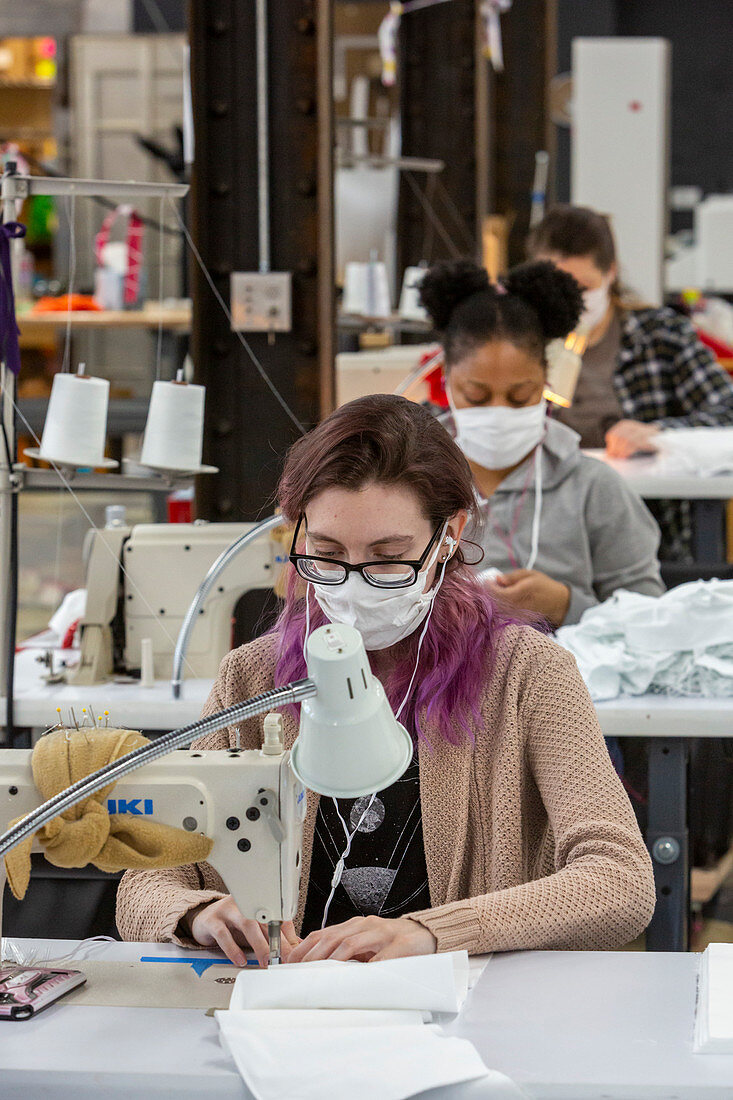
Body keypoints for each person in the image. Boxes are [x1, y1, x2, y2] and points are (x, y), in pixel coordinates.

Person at [116, 395, 655, 964]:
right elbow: (145, 884)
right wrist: (198, 913)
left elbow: (620, 882)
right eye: (326, 554)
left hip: (464, 1018)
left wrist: (434, 933)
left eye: (388, 557)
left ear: (450, 533)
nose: (354, 584)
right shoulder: (255, 679)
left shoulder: (530, 674)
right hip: (290, 1001)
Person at [417, 259, 664, 628]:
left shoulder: (593, 489)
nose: (498, 413)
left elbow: (652, 617)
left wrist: (567, 606)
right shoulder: (411, 481)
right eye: (476, 396)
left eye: (520, 397)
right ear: (447, 381)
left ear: (547, 381)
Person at [526, 204, 733, 560]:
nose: (572, 301)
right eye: (557, 288)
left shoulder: (661, 335)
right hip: (541, 532)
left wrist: (660, 433)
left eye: (583, 287)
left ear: (611, 273)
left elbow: (727, 409)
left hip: (653, 530)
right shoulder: (518, 343)